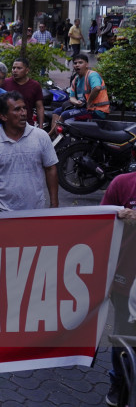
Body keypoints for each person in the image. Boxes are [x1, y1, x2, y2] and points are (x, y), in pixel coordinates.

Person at [0, 92, 59, 212]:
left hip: (35, 209)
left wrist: (54, 205)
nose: (23, 113)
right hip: (0, 208)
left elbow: (51, 169)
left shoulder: (41, 137)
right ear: (3, 116)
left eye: (24, 108)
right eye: (17, 109)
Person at [100, 173, 136, 407]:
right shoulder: (122, 183)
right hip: (126, 275)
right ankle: (120, 382)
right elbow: (100, 223)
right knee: (123, 335)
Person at [1, 57, 44, 127]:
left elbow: (39, 107)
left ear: (27, 70)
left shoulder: (35, 85)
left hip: (27, 125)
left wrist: (41, 126)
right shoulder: (5, 83)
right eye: (13, 68)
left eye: (19, 68)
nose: (15, 70)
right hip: (8, 125)